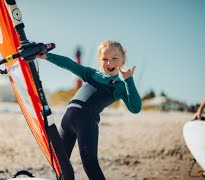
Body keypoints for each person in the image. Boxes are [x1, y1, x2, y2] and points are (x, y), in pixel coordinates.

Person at [38, 40, 142, 180]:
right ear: (100, 61)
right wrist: (46, 56)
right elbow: (70, 64)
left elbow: (135, 108)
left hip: (86, 124)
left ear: (122, 60)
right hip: (67, 121)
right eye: (104, 59)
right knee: (60, 164)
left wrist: (129, 80)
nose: (109, 63)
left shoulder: (120, 87)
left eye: (114, 58)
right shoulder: (91, 74)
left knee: (90, 165)